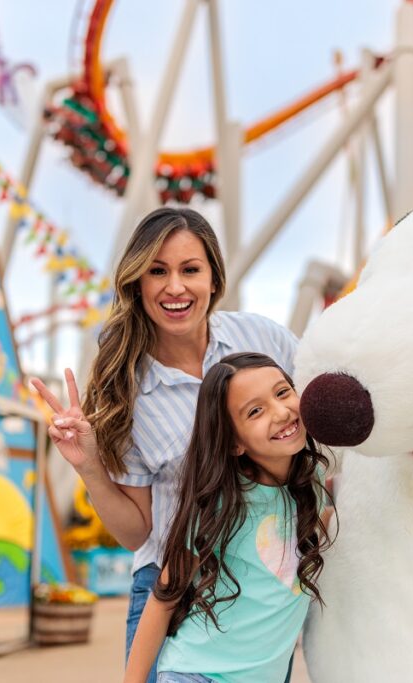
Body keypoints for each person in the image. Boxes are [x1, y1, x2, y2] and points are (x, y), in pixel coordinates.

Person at [30, 208, 299, 681]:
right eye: (158, 271)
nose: (175, 287)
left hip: (259, 575)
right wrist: (89, 466)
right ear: (137, 283)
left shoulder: (261, 337)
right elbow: (137, 533)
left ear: (214, 278)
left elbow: (314, 416)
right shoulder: (126, 394)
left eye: (190, 269)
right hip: (172, 585)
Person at [123, 352, 333, 683]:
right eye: (255, 411)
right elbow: (164, 598)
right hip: (196, 674)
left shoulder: (315, 482)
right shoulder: (222, 504)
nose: (281, 412)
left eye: (282, 392)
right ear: (234, 442)